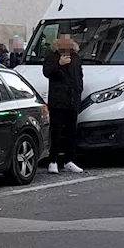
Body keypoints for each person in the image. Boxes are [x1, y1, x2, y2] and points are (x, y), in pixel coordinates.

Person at [42, 34, 85, 175]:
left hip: (73, 100)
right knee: (56, 131)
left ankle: (69, 160)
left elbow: (79, 75)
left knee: (71, 131)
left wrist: (79, 90)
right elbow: (47, 72)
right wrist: (59, 64)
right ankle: (53, 160)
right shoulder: (52, 56)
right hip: (58, 100)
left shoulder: (76, 57)